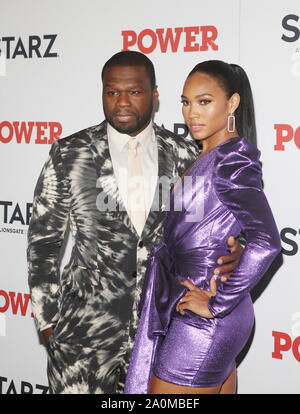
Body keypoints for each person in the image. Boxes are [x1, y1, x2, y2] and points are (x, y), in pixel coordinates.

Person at [27, 52, 243, 394]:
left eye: (135, 92)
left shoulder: (186, 155)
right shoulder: (70, 153)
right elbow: (43, 244)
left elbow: (213, 230)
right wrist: (50, 324)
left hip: (157, 335)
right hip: (81, 341)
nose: (122, 102)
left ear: (154, 95)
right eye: (112, 92)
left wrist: (238, 250)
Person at [124, 60, 282, 394]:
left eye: (204, 101)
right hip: (206, 311)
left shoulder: (230, 160)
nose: (192, 113)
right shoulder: (208, 154)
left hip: (203, 317)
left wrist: (215, 304)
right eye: (186, 102)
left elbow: (266, 240)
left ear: (232, 103)